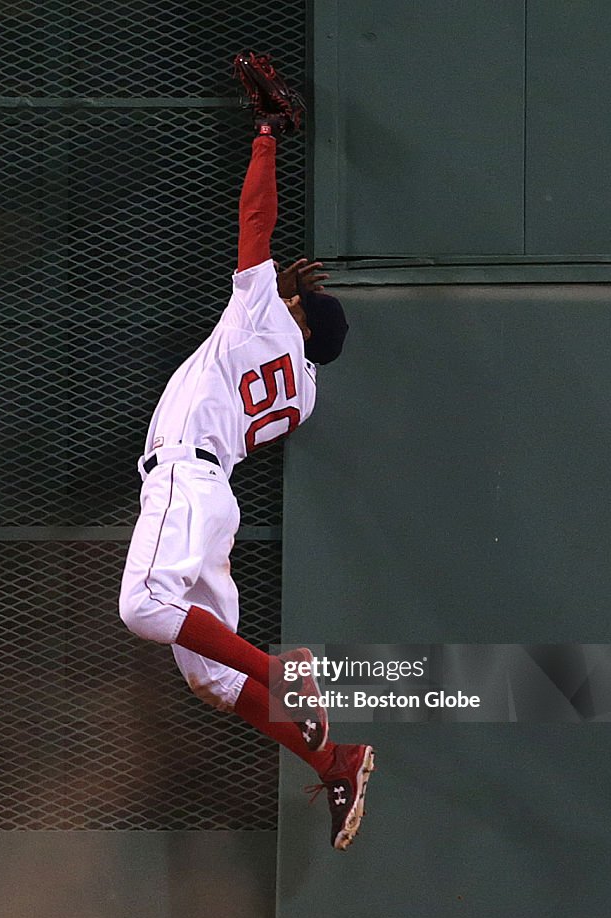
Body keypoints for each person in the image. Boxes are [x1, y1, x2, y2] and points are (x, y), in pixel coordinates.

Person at [119, 71, 373, 850]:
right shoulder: (304, 393)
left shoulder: (261, 311)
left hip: (184, 482)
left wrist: (265, 137)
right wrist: (288, 308)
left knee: (143, 609)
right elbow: (284, 346)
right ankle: (337, 760)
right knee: (212, 681)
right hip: (213, 494)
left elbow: (254, 223)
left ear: (293, 311)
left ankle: (286, 677)